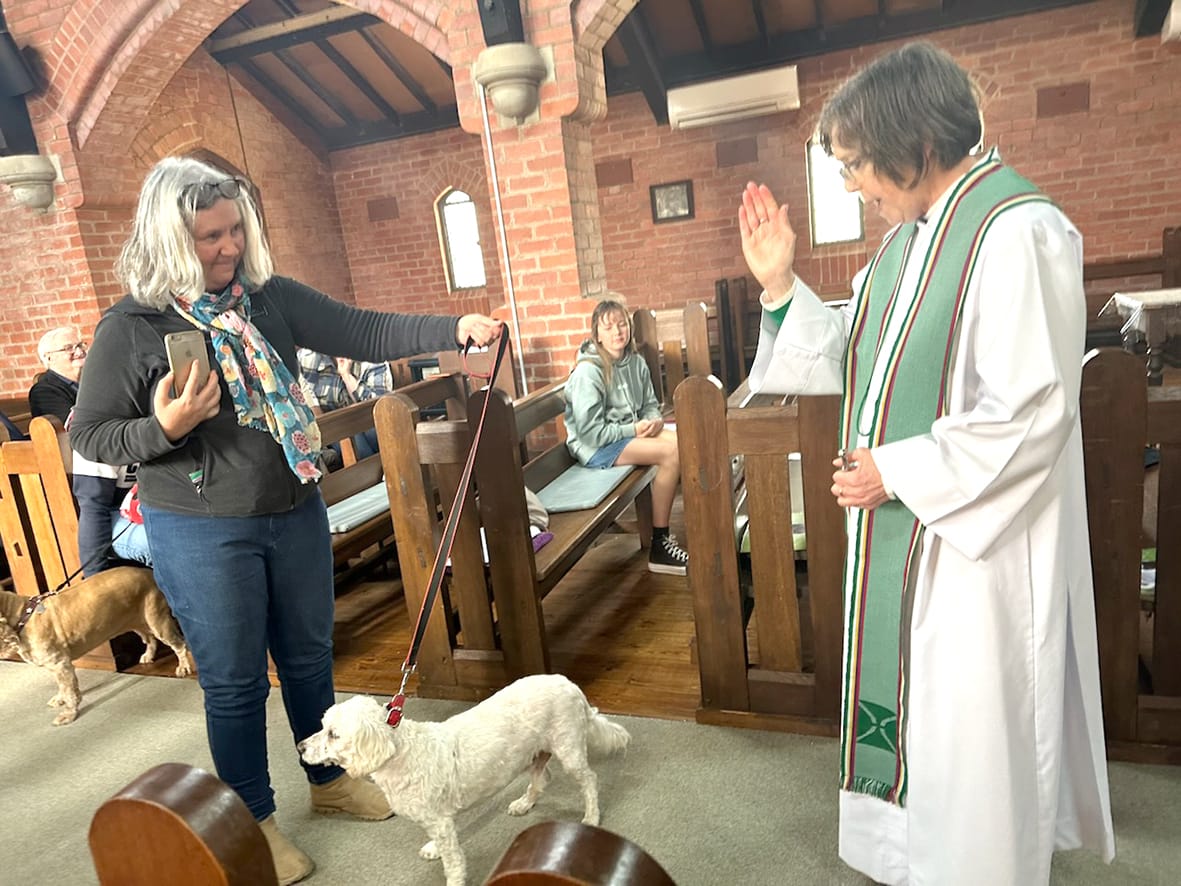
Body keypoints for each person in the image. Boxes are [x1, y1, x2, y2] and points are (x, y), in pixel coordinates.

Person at [738, 42, 1114, 885]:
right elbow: (853, 352)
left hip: (975, 546)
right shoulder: (907, 244)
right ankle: (914, 857)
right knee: (924, 713)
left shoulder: (1017, 231)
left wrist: (895, 472)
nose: (851, 187)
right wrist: (777, 285)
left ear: (914, 146)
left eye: (855, 165)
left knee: (972, 719)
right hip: (909, 537)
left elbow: (1030, 410)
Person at [69, 155, 503, 886]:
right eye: (209, 237)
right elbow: (90, 434)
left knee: (307, 660)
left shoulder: (264, 299)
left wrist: (451, 326)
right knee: (235, 682)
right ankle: (254, 818)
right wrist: (165, 427)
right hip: (203, 528)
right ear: (169, 238)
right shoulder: (132, 327)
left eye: (234, 229)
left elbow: (360, 328)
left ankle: (330, 783)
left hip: (294, 505)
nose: (228, 247)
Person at [563, 298, 687, 575]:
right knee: (670, 454)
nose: (617, 332)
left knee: (682, 442)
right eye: (608, 327)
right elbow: (591, 433)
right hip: (595, 448)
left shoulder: (635, 363)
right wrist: (633, 430)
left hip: (626, 435)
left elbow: (650, 404)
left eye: (622, 324)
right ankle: (660, 544)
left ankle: (671, 535)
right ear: (597, 335)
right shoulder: (588, 372)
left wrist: (653, 420)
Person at [297, 348, 392, 460]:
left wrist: (346, 376)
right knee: (356, 444)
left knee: (375, 436)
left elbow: (382, 406)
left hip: (371, 422)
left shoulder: (372, 355)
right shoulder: (306, 359)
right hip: (333, 429)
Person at [29, 326, 86, 422]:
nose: (79, 352)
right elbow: (75, 427)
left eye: (80, 345)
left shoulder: (94, 379)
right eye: (68, 348)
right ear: (49, 358)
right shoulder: (44, 392)